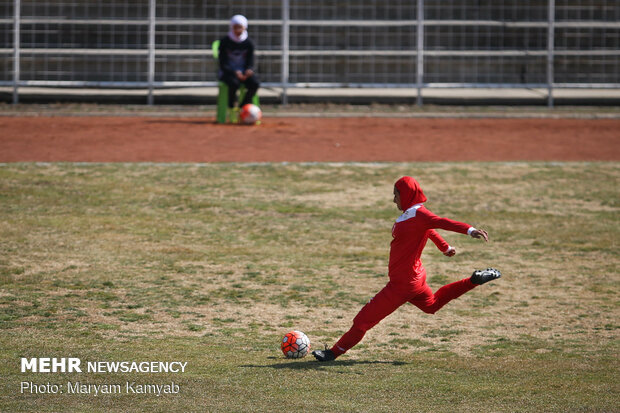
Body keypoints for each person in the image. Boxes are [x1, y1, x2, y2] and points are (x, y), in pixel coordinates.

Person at [312, 176, 501, 362]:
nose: (394, 199)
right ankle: (474, 280)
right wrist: (445, 247)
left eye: (396, 195)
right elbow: (429, 230)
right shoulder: (412, 214)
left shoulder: (420, 214)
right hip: (415, 279)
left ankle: (332, 353)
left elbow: (441, 221)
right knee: (432, 305)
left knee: (362, 321)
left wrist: (470, 230)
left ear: (407, 194)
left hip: (401, 285)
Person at [218, 15, 260, 111]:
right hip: (228, 73)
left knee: (255, 83)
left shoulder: (249, 43)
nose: (237, 30)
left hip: (244, 73)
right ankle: (231, 107)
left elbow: (251, 60)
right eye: (235, 27)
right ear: (231, 27)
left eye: (240, 27)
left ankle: (244, 106)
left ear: (245, 27)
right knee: (233, 83)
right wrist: (234, 72)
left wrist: (249, 69)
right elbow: (223, 63)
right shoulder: (225, 42)